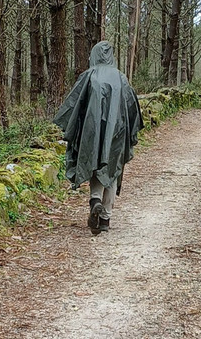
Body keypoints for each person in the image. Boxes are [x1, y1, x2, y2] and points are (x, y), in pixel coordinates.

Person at [53, 41, 144, 235]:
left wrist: (73, 128)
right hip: (117, 132)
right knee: (112, 168)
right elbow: (132, 107)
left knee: (95, 163)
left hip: (91, 130)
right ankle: (105, 219)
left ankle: (95, 200)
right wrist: (130, 132)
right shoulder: (121, 78)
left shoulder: (89, 75)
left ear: (94, 55)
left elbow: (74, 104)